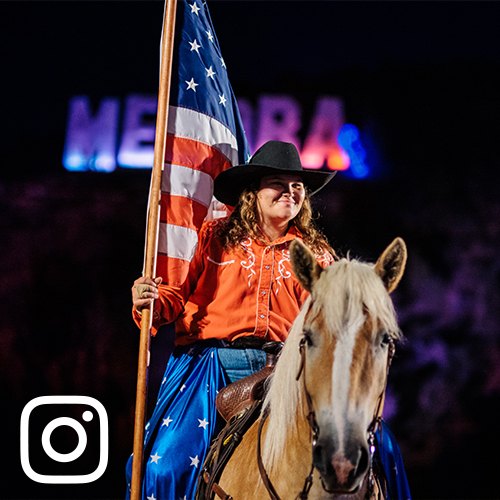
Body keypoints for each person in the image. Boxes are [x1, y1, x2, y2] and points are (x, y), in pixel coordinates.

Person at [125, 140, 410, 500]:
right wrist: (149, 299)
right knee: (164, 466)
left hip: (284, 369)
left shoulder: (320, 257)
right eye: (277, 182)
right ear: (252, 192)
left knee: (385, 450)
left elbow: (337, 327)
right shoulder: (213, 237)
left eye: (297, 186)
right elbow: (173, 297)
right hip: (210, 366)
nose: (289, 192)